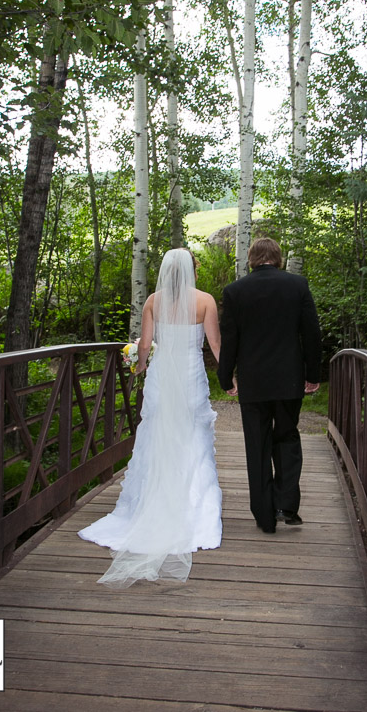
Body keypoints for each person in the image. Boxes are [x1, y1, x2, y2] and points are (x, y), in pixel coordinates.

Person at [79, 248, 222, 586]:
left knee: (156, 435)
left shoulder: (153, 301)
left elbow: (145, 344)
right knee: (194, 437)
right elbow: (215, 344)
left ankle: (149, 506)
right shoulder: (205, 301)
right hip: (189, 376)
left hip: (162, 377)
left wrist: (141, 364)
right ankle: (194, 511)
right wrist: (229, 377)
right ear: (192, 271)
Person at [217, 237, 321, 534]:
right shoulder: (297, 285)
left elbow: (231, 341)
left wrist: (226, 378)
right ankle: (286, 505)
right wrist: (312, 374)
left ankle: (264, 517)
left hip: (254, 382)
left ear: (251, 259)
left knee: (257, 445)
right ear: (278, 258)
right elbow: (311, 333)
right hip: (289, 379)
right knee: (286, 437)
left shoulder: (235, 291)